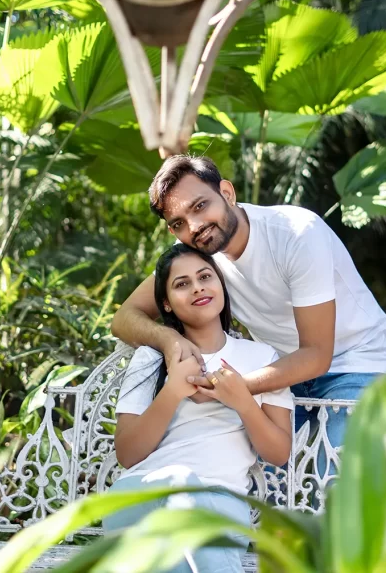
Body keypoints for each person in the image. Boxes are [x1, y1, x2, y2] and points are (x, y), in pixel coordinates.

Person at [111, 155, 386, 463]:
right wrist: (170, 340)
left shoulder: (296, 234)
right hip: (279, 371)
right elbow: (124, 318)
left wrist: (234, 388)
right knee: (250, 477)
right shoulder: (201, 259)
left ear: (227, 194)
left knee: (337, 483)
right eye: (179, 223)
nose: (195, 226)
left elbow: (316, 355)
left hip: (352, 362)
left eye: (200, 206)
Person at [105, 244, 293, 573]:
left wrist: (242, 401)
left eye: (205, 277)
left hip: (222, 502)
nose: (197, 287)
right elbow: (127, 454)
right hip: (141, 496)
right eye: (182, 284)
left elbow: (278, 453)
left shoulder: (263, 359)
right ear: (166, 303)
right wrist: (173, 390)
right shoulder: (151, 358)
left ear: (221, 284)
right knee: (179, 484)